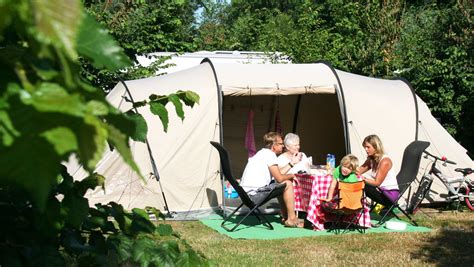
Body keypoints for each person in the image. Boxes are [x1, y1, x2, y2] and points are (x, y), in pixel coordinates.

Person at [240, 132, 303, 228]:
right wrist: (292, 175)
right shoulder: (270, 155)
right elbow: (280, 178)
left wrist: (292, 163)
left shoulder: (262, 153)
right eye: (281, 144)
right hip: (254, 196)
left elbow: (277, 174)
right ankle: (291, 219)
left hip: (245, 195)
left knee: (280, 184)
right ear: (274, 146)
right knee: (287, 183)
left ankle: (285, 217)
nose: (283, 146)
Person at [357, 134, 400, 204]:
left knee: (361, 184)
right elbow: (357, 171)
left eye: (368, 147)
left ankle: (360, 207)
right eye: (365, 147)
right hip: (380, 191)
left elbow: (377, 183)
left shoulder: (385, 161)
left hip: (389, 195)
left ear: (376, 147)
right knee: (355, 181)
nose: (366, 149)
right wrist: (343, 169)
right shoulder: (371, 160)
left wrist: (362, 178)